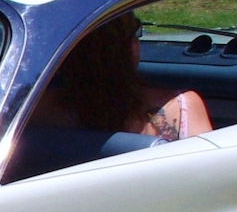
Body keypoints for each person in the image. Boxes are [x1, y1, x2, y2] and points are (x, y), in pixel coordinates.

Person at [42, 13, 210, 141]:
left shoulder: (37, 111)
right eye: (136, 30)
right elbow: (213, 177)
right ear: (126, 47)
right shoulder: (179, 107)